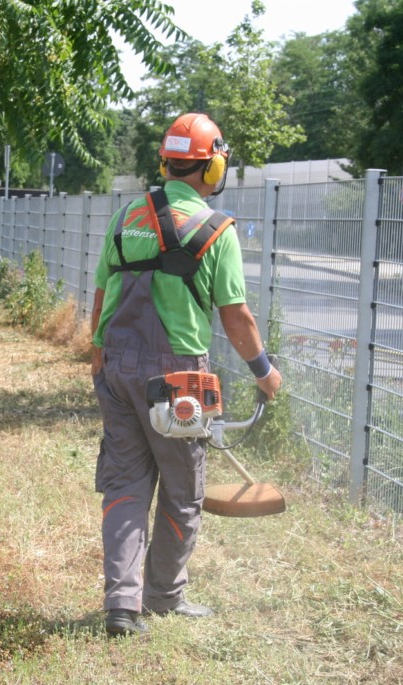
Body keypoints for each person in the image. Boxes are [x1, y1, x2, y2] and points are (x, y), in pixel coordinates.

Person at [90, 112, 282, 637]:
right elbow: (236, 317)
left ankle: (121, 608)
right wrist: (264, 373)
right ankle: (164, 598)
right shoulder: (216, 230)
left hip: (116, 366)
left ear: (166, 163)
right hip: (177, 379)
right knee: (180, 490)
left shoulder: (127, 215)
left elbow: (104, 290)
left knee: (126, 486)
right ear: (214, 166)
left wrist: (96, 352)